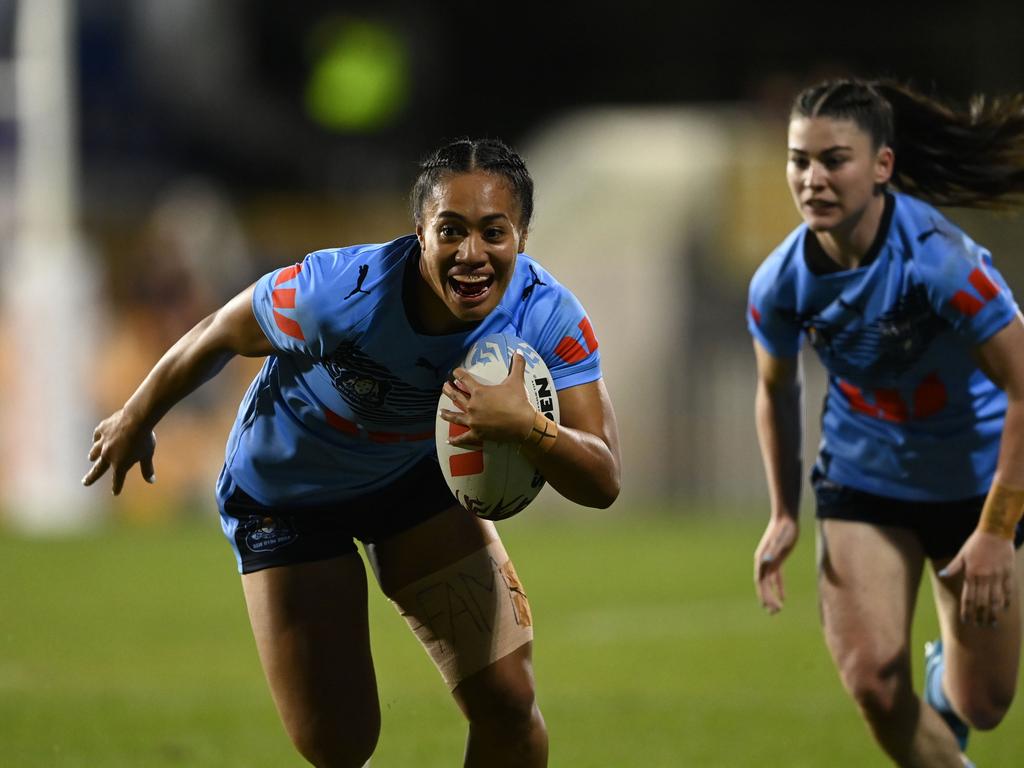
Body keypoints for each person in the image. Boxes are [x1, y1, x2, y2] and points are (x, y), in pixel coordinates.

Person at [83, 137, 622, 768]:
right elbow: (218, 331)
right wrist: (136, 416)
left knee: (509, 704)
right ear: (419, 233)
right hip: (287, 498)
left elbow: (604, 479)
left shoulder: (547, 313)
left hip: (410, 479)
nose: (471, 254)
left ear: (523, 236)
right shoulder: (340, 290)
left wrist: (529, 426)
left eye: (493, 232)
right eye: (450, 231)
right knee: (341, 744)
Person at [747, 78, 1024, 767]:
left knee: (984, 702)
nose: (811, 179)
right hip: (863, 478)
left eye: (833, 160)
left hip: (973, 483)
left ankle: (945, 684)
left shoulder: (942, 261)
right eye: (798, 160)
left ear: (882, 167)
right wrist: (784, 511)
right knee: (872, 680)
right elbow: (777, 388)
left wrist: (996, 530)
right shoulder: (779, 282)